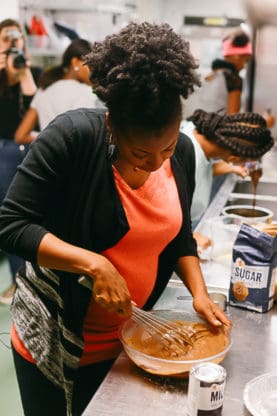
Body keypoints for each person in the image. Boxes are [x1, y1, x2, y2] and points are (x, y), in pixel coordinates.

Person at [0, 22, 231, 416]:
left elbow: (179, 238)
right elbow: (11, 225)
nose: (158, 163)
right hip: (55, 336)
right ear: (112, 126)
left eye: (169, 147)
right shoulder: (72, 138)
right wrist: (93, 263)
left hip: (131, 340)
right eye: (142, 155)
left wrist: (199, 292)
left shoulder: (184, 155)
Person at [180, 109, 274, 250]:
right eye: (245, 162)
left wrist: (231, 168)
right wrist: (189, 236)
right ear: (233, 158)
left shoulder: (196, 130)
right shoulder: (186, 154)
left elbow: (198, 172)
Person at [0, 18, 41, 304]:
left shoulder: (33, 73)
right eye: (6, 38)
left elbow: (36, 110)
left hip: (18, 152)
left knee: (14, 215)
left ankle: (20, 280)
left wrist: (24, 72)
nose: (12, 43)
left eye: (17, 37)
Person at [14, 38, 100, 144]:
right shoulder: (85, 93)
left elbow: (20, 136)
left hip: (47, 157)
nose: (94, 72)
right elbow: (83, 139)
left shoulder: (44, 89)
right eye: (90, 66)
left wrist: (48, 139)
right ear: (75, 62)